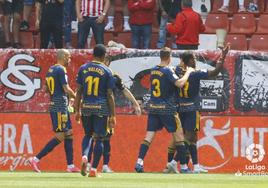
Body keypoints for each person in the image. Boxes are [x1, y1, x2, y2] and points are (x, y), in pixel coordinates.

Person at [165, 44, 230, 174]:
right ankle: (173, 163)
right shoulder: (195, 73)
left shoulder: (175, 71)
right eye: (193, 59)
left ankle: (196, 166)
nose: (195, 61)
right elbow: (215, 72)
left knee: (192, 138)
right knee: (189, 138)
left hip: (179, 109)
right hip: (192, 109)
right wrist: (222, 57)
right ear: (188, 61)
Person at [134, 47, 194, 173]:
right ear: (169, 57)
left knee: (149, 136)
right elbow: (179, 84)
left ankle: (139, 162)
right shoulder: (167, 70)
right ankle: (183, 167)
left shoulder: (154, 70)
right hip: (167, 109)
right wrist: (188, 72)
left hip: (154, 108)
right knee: (179, 137)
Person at [86, 57, 142, 173]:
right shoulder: (111, 75)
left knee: (93, 136)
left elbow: (81, 89)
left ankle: (91, 163)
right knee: (102, 138)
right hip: (104, 110)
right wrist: (135, 104)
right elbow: (123, 90)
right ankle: (99, 165)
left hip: (89, 109)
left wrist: (135, 103)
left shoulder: (88, 72)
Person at [30, 49, 80, 173]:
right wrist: (76, 98)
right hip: (59, 106)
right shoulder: (61, 69)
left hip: (58, 104)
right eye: (68, 57)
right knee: (61, 135)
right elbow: (66, 88)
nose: (69, 60)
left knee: (69, 133)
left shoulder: (50, 70)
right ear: (62, 57)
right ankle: (35, 159)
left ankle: (70, 165)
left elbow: (46, 89)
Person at [74, 44, 116, 177]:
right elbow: (110, 94)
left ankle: (85, 157)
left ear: (93, 54)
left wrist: (77, 110)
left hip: (86, 106)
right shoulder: (107, 71)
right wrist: (113, 114)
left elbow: (79, 91)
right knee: (99, 138)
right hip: (101, 108)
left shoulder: (83, 68)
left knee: (87, 135)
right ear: (104, 56)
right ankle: (93, 169)